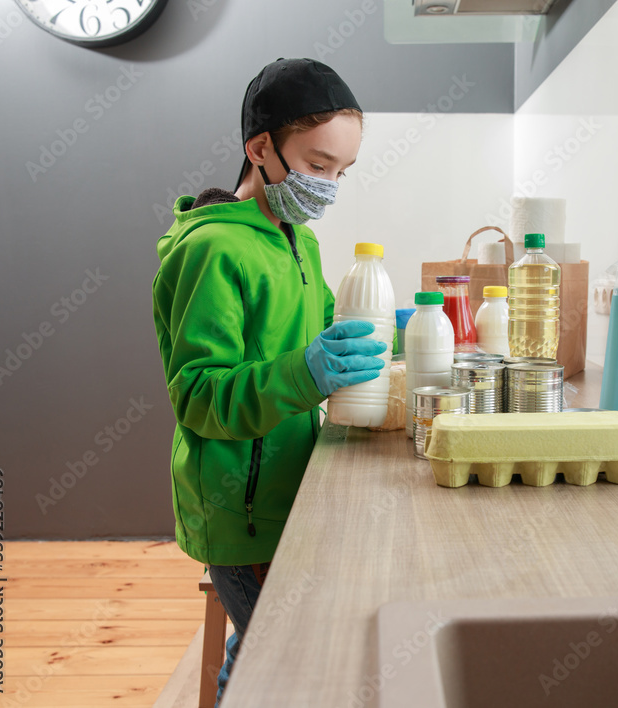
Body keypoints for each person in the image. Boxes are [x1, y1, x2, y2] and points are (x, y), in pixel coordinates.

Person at [151, 58, 383, 705]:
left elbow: (308, 332)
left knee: (264, 646)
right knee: (288, 656)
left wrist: (371, 330)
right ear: (260, 148)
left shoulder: (298, 242)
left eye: (341, 171)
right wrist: (305, 372)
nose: (328, 186)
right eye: (317, 164)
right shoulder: (212, 251)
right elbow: (199, 395)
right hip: (242, 509)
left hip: (291, 491)